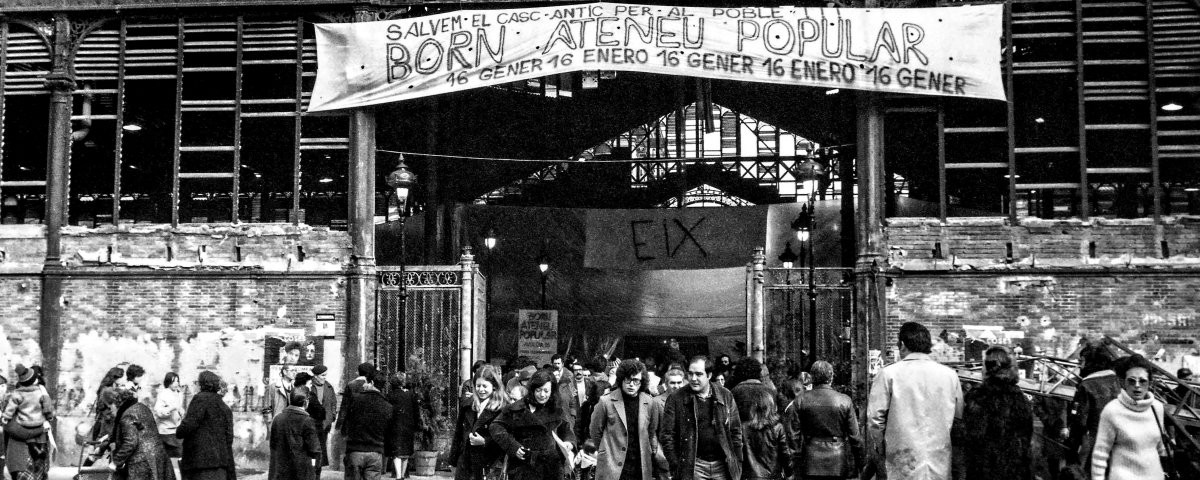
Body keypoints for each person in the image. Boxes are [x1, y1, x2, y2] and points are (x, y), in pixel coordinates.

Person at [866, 322, 962, 480]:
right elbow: (958, 419)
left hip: (902, 460)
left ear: (902, 345)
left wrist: (882, 446)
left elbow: (875, 419)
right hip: (938, 459)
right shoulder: (950, 376)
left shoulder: (888, 375)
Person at [661, 355, 744, 480]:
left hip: (722, 465)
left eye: (699, 374)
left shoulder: (725, 395)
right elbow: (667, 436)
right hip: (693, 466)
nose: (693, 378)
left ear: (709, 375)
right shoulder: (676, 398)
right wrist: (677, 465)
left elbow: (735, 432)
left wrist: (737, 462)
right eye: (690, 374)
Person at [960, 346, 1034, 480]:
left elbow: (972, 438)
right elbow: (1026, 438)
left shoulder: (979, 397)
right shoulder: (1020, 398)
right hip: (1016, 471)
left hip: (985, 470)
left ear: (987, 368)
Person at [489, 370, 577, 480]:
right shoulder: (517, 408)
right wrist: (513, 446)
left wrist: (569, 443)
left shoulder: (556, 409)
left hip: (551, 468)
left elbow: (566, 429)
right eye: (538, 390)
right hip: (523, 466)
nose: (542, 395)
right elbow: (496, 427)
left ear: (552, 391)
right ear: (532, 389)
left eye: (546, 391)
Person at [1091, 354, 1167, 480]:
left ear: (1150, 383)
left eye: (1142, 381)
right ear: (1123, 383)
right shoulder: (1112, 410)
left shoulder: (1157, 407)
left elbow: (1159, 447)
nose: (1137, 385)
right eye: (1131, 381)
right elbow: (1100, 454)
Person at [588, 359, 663, 480]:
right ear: (621, 379)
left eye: (636, 380)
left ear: (642, 381)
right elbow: (595, 431)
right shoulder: (606, 401)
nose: (631, 384)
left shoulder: (650, 402)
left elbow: (651, 431)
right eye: (628, 379)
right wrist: (606, 451)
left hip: (640, 465)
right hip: (612, 465)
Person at [789, 361, 862, 480]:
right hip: (837, 462)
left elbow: (793, 436)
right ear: (831, 377)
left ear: (812, 378)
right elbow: (855, 438)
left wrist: (794, 465)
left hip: (810, 461)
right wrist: (861, 463)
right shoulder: (844, 400)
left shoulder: (801, 400)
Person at [1068, 340, 1123, 466]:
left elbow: (1080, 421)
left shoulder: (1086, 385)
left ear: (1091, 363)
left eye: (1081, 362)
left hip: (1095, 444)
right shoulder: (1118, 381)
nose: (1080, 367)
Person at [450, 365, 510, 480]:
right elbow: (458, 433)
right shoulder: (468, 404)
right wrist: (453, 461)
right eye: (478, 386)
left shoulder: (503, 407)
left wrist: (485, 441)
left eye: (485, 386)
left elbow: (508, 437)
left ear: (494, 386)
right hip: (466, 463)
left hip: (490, 463)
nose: (481, 390)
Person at [177, 371, 236, 480]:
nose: (195, 385)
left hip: (200, 464)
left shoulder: (200, 399)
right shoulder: (225, 407)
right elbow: (229, 438)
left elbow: (188, 425)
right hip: (220, 465)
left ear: (201, 384)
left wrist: (179, 430)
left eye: (196, 382)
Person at [2, 364, 54, 480]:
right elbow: (14, 429)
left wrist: (46, 397)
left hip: (39, 455)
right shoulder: (14, 398)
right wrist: (41, 428)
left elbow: (49, 416)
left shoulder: (41, 399)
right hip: (21, 455)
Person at [344, 373, 394, 480]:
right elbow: (389, 431)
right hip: (375, 452)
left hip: (355, 450)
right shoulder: (387, 406)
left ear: (371, 383)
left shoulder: (355, 400)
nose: (363, 385)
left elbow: (346, 423)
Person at [269, 391, 322, 480]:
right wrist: (315, 470)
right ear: (306, 402)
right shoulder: (307, 421)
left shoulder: (277, 419)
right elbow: (315, 451)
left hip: (281, 472)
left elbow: (273, 446)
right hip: (301, 473)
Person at [742, 386, 790, 480]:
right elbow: (785, 454)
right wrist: (789, 473)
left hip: (751, 476)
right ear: (771, 406)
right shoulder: (778, 427)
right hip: (774, 475)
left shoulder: (744, 427)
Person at [385, 372, 418, 479]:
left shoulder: (390, 395)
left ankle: (399, 476)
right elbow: (416, 412)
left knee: (396, 452)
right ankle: (402, 475)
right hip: (408, 426)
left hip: (394, 426)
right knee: (406, 452)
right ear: (402, 382)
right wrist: (416, 425)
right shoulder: (410, 394)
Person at [309, 365, 337, 477]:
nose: (324, 377)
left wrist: (332, 416)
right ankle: (311, 470)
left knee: (320, 451)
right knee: (312, 451)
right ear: (315, 376)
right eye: (322, 375)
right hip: (310, 424)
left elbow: (333, 402)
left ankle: (317, 473)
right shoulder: (309, 386)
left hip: (324, 424)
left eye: (326, 375)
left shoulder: (329, 387)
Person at [730, 357, 775, 423]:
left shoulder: (735, 391)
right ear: (758, 371)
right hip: (765, 430)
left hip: (743, 430)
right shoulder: (769, 391)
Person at [337, 363, 377, 435]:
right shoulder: (371, 385)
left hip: (353, 421)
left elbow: (345, 406)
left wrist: (339, 424)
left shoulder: (351, 384)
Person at [154, 372, 185, 458]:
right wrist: (170, 409)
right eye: (173, 382)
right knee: (168, 457)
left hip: (176, 430)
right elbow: (158, 412)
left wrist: (181, 410)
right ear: (168, 382)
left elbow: (179, 407)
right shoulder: (163, 394)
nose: (176, 384)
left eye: (177, 381)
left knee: (180, 455)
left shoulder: (179, 393)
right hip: (166, 431)